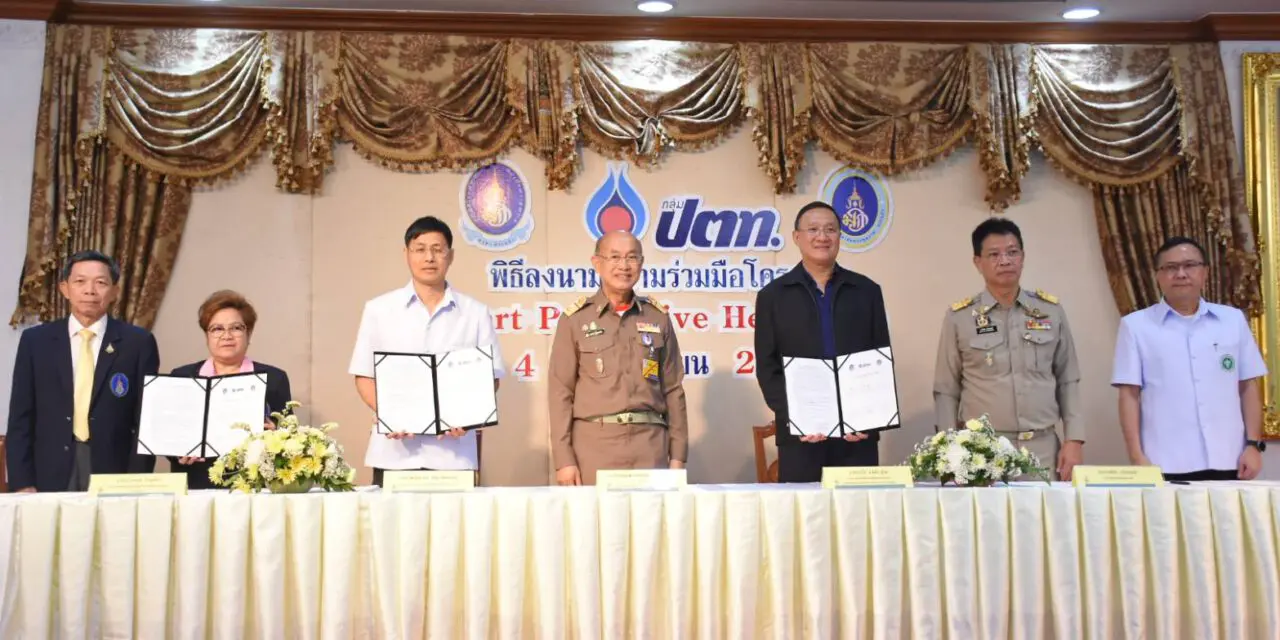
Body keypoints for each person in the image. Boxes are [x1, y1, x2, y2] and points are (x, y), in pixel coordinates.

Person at [350, 216, 504, 486]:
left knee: (452, 529)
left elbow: (490, 378)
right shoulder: (379, 310)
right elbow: (364, 375)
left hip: (453, 455)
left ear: (451, 256)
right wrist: (390, 414)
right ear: (406, 254)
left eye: (438, 249)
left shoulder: (475, 313)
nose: (429, 257)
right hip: (393, 454)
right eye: (420, 249)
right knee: (394, 529)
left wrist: (466, 417)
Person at [933, 218, 1083, 480]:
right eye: (994, 254)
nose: (1005, 260)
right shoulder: (960, 317)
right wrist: (950, 449)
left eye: (1012, 252)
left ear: (1023, 257)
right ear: (977, 262)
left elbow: (1068, 379)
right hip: (981, 452)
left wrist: (1074, 440)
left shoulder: (1050, 311)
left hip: (1042, 450)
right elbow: (946, 389)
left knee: (1045, 521)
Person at [754, 201, 889, 483]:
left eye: (830, 229)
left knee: (858, 520)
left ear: (840, 236)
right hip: (801, 438)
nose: (822, 237)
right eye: (813, 229)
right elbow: (768, 369)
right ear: (797, 237)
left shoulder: (866, 291)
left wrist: (869, 418)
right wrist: (798, 418)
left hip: (857, 436)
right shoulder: (773, 296)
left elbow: (879, 360)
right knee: (804, 522)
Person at [1112, 236, 1267, 481]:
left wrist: (1253, 445)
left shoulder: (1232, 320)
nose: (1181, 274)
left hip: (1230, 459)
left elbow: (1248, 386)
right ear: (1158, 276)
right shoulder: (1136, 326)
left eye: (1190, 265)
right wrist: (1136, 456)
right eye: (1171, 268)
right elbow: (1129, 395)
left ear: (1205, 272)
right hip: (1164, 462)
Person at [6, 251, 160, 492]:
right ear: (65, 289)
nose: (90, 290)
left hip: (114, 471)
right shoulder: (36, 341)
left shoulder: (137, 343)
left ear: (115, 292)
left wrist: (135, 481)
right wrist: (22, 482)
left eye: (100, 282)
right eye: (80, 281)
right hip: (48, 469)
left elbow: (146, 421)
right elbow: (21, 416)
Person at [547, 230, 688, 486]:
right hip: (594, 448)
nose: (624, 266)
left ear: (642, 264)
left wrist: (678, 458)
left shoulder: (658, 318)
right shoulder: (575, 320)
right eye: (615, 257)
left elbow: (674, 390)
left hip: (650, 447)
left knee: (650, 525)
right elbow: (560, 393)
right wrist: (564, 459)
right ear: (597, 263)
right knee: (596, 525)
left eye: (632, 258)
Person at [167, 290, 292, 490]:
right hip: (196, 484)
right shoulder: (182, 377)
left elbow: (290, 438)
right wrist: (177, 451)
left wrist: (276, 435)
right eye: (217, 329)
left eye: (236, 328)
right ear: (206, 335)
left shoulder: (274, 379)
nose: (227, 336)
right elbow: (168, 432)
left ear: (248, 334)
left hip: (255, 485)